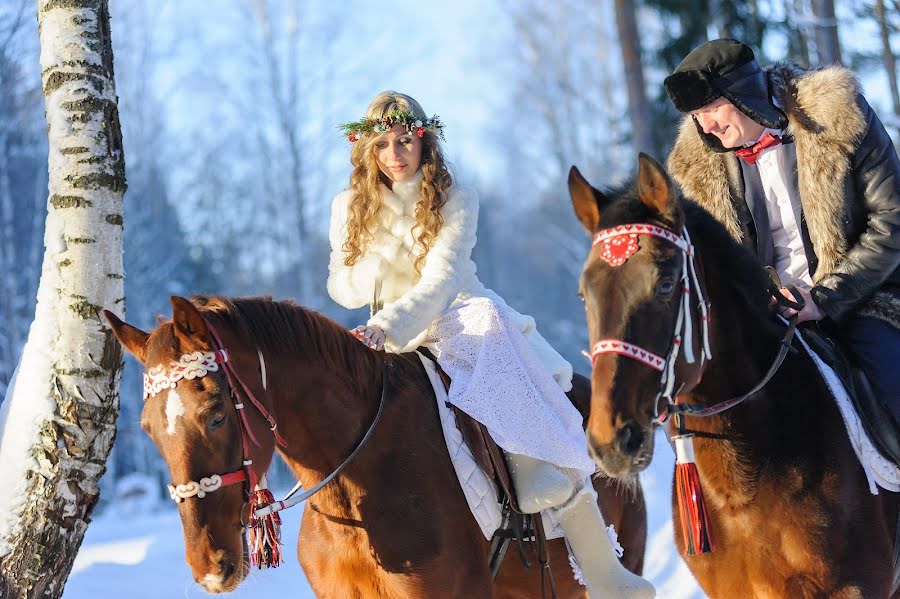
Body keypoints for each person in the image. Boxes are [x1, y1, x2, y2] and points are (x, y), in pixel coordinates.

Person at [327, 91, 655, 598]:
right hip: (381, 331)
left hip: (451, 313)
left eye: (407, 140)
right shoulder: (349, 206)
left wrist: (388, 326)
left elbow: (441, 281)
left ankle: (537, 470)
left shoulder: (455, 199)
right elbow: (341, 286)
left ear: (425, 142)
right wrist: (375, 263)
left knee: (487, 319)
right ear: (369, 150)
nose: (397, 153)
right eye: (385, 143)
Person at [664, 38, 900, 419]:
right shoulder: (696, 167)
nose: (706, 124)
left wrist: (823, 298)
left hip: (864, 296)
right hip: (765, 317)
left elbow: (892, 220)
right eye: (696, 114)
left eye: (712, 106)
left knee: (894, 390)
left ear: (744, 95)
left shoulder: (839, 115)